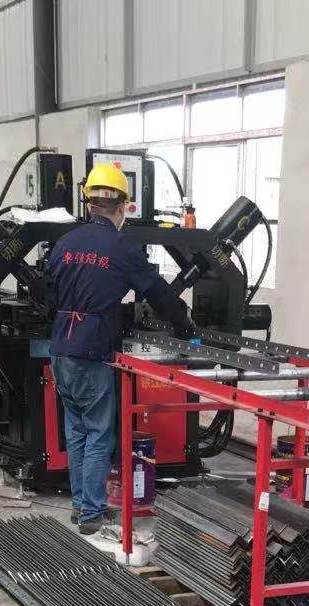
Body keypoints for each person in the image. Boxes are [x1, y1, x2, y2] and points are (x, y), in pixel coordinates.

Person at [46, 162, 192, 532]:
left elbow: (46, 291)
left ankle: (81, 506)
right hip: (92, 350)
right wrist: (184, 323)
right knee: (99, 433)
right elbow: (157, 292)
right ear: (123, 206)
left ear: (88, 202)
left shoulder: (64, 243)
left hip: (60, 347)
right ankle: (91, 515)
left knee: (77, 431)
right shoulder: (122, 247)